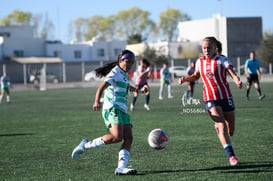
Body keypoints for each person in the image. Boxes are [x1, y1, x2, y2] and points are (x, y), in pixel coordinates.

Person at [71, 50, 138, 175]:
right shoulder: (115, 72)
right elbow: (102, 87)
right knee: (117, 137)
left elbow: (125, 86)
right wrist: (96, 101)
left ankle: (121, 168)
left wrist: (139, 90)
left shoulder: (124, 74)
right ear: (120, 61)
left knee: (128, 138)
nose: (130, 65)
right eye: (127, 62)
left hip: (122, 109)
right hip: (112, 107)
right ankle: (85, 146)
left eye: (132, 63)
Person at [178, 36, 242, 166]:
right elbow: (196, 76)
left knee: (231, 131)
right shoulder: (199, 62)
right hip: (210, 98)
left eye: (209, 48)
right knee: (221, 125)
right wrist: (185, 79)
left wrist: (237, 80)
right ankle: (231, 156)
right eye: (204, 48)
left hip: (226, 97)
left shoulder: (221, 59)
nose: (206, 50)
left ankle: (220, 129)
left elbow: (232, 73)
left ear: (215, 48)